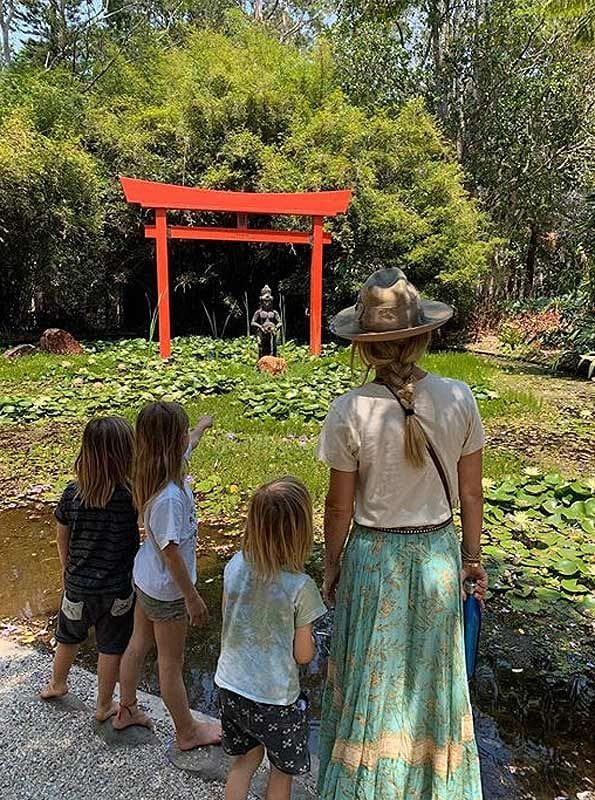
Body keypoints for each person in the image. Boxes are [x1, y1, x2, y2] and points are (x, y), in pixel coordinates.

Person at [316, 268, 488, 800]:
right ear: (423, 335)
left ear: (365, 349)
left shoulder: (350, 410)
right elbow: (473, 494)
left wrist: (331, 564)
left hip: (372, 559)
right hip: (437, 555)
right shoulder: (460, 398)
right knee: (430, 682)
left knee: (374, 677)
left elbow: (339, 507)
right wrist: (472, 558)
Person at [113, 401, 221, 750]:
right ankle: (187, 731)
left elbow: (191, 442)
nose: (187, 438)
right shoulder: (169, 498)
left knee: (138, 643)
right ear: (171, 442)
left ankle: (125, 708)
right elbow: (171, 554)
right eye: (183, 432)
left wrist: (203, 425)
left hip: (146, 580)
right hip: (168, 591)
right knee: (171, 663)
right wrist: (192, 598)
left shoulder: (159, 469)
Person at [215, 476, 327, 800]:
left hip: (231, 687)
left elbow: (229, 618)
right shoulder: (300, 587)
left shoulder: (235, 565)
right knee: (281, 770)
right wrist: (314, 643)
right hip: (275, 700)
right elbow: (303, 655)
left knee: (244, 761)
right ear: (300, 532)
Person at [41, 417, 139, 722]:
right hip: (117, 591)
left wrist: (67, 569)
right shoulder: (128, 497)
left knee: (67, 637)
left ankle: (57, 684)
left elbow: (62, 536)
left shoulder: (72, 493)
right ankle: (103, 705)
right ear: (126, 455)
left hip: (77, 586)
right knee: (111, 647)